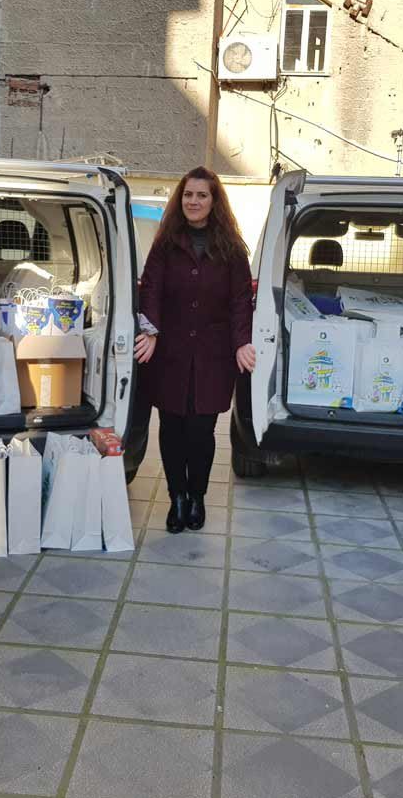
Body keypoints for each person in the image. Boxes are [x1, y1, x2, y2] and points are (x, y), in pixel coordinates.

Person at [136, 167, 255, 534]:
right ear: (180, 198)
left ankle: (197, 496)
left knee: (201, 431)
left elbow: (241, 300)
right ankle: (177, 498)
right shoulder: (166, 243)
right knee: (172, 428)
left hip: (213, 356)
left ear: (214, 201)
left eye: (202, 195)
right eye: (188, 194)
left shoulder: (232, 249)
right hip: (170, 353)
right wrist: (150, 331)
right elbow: (150, 289)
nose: (193, 201)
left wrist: (242, 341)